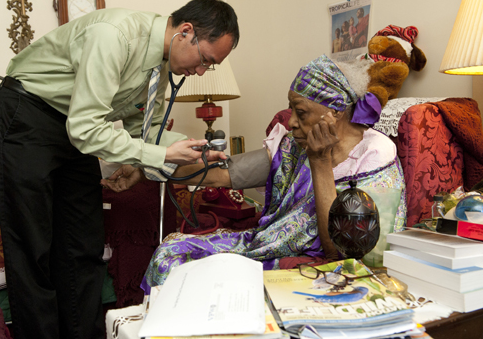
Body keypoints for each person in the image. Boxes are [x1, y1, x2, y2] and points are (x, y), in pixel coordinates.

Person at [0, 0, 238, 339]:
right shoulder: (115, 36)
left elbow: (145, 130)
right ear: (186, 31)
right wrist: (158, 156)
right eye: (204, 61)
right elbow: (87, 129)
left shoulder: (159, 69)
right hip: (29, 112)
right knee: (33, 245)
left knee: (84, 244)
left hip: (75, 128)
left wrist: (194, 150)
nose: (200, 72)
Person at [130, 54, 407, 289]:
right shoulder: (292, 146)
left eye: (301, 112)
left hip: (325, 262)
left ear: (335, 112)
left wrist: (320, 163)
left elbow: (340, 252)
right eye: (291, 110)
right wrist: (147, 169)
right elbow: (225, 173)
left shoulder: (373, 157)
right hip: (268, 243)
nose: (292, 122)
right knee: (170, 253)